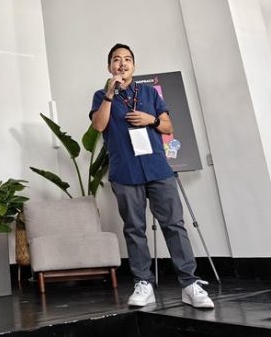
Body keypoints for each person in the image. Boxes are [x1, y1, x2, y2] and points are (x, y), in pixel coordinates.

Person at [89, 43, 214, 309]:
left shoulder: (148, 93)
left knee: (174, 225)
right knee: (134, 229)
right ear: (109, 66)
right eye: (116, 59)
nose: (122, 63)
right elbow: (99, 126)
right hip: (125, 172)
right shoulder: (101, 96)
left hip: (158, 169)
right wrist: (110, 94)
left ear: (134, 65)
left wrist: (152, 120)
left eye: (127, 59)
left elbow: (168, 126)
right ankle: (143, 283)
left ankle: (189, 284)